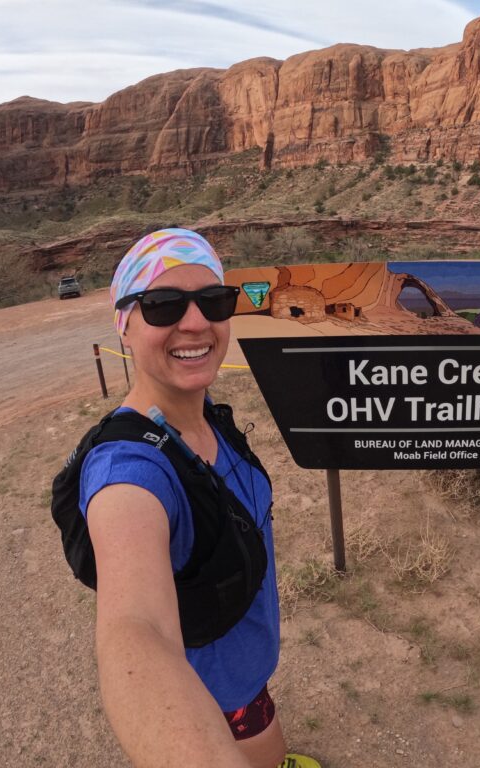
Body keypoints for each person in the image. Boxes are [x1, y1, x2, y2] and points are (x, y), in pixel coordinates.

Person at [72, 228, 317, 768]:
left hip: (244, 664)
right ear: (125, 327)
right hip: (217, 697)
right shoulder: (128, 473)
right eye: (162, 306)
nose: (195, 322)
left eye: (213, 301)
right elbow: (136, 629)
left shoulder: (206, 418)